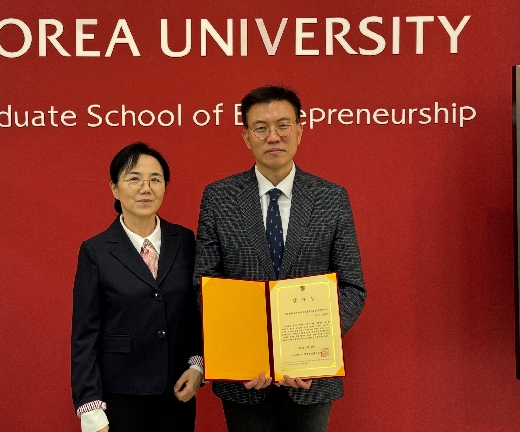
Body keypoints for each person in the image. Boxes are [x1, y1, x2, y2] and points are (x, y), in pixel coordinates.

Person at [193, 85, 367, 432]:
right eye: (261, 128)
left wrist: (315, 349)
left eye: (283, 125)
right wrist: (241, 354)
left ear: (300, 130)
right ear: (246, 137)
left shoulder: (331, 198)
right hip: (244, 379)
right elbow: (205, 284)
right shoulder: (219, 198)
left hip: (311, 378)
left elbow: (352, 287)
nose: (273, 136)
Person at [71, 142, 203, 432]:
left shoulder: (184, 240)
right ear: (114, 188)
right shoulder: (96, 251)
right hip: (120, 395)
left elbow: (196, 313)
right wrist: (90, 405)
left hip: (177, 392)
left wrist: (197, 366)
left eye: (155, 179)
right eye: (134, 179)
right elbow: (85, 334)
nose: (146, 188)